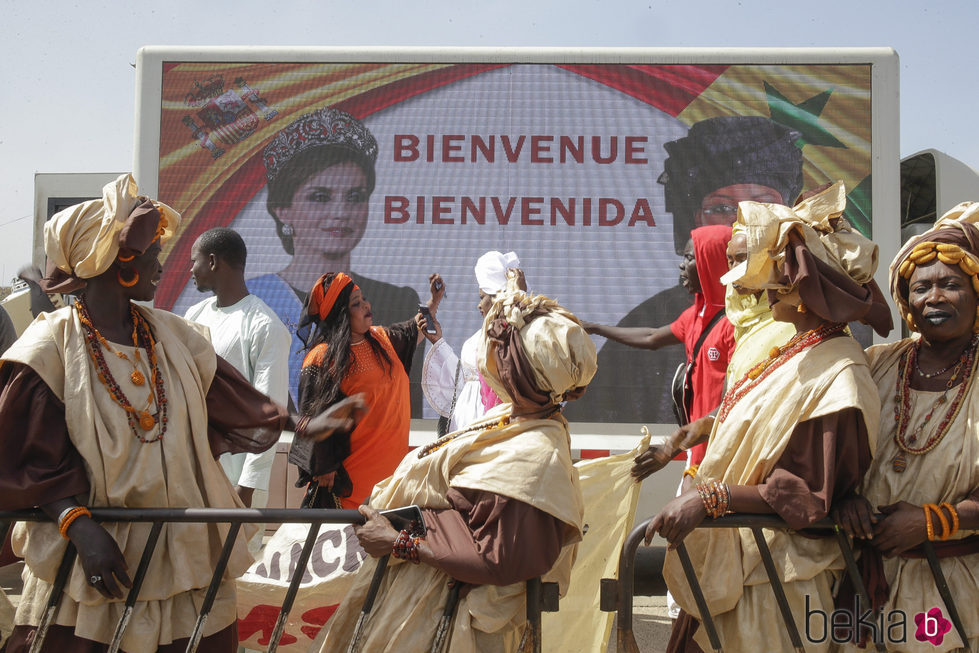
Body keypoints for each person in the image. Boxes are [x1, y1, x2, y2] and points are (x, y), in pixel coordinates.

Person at [0, 174, 364, 652]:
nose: (161, 261)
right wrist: (81, 528)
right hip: (97, 561)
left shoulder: (174, 335)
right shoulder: (50, 347)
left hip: (183, 554)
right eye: (151, 250)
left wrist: (302, 424)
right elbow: (33, 459)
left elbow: (235, 397)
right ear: (117, 260)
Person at [647, 182, 892, 653]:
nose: (745, 278)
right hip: (738, 568)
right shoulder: (794, 350)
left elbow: (805, 493)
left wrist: (711, 499)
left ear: (797, 281)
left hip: (776, 583)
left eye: (760, 267)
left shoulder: (839, 371)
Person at [317, 280, 596, 653]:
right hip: (425, 610)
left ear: (528, 372)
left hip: (455, 627)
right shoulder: (511, 420)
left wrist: (397, 541)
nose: (493, 358)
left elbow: (497, 558)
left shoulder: (537, 453)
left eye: (504, 352)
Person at [570, 115, 803, 423]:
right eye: (721, 208)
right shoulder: (675, 313)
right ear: (696, 220)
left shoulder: (798, 314)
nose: (741, 225)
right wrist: (594, 328)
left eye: (761, 207)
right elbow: (652, 336)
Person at [834, 201, 979, 652]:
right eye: (921, 288)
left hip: (951, 588)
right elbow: (830, 448)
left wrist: (933, 521)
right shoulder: (875, 364)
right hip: (859, 582)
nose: (934, 297)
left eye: (951, 285)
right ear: (905, 301)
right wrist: (844, 498)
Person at [247, 106, 423, 409]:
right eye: (320, 197)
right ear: (282, 209)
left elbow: (407, 408)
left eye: (355, 197)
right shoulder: (254, 299)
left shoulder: (398, 301)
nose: (341, 213)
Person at [289, 271, 443, 510]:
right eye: (356, 303)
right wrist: (324, 466)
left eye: (364, 299)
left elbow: (415, 330)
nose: (366, 305)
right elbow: (311, 418)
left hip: (391, 481)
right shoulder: (321, 357)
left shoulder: (382, 339)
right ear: (341, 313)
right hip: (350, 486)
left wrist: (434, 301)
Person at [583, 224, 735, 466]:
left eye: (689, 258)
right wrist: (595, 328)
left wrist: (668, 449)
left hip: (723, 456)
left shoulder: (735, 324)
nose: (681, 265)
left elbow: (734, 399)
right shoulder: (695, 315)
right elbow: (651, 337)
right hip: (696, 454)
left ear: (711, 261)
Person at [184, 227, 291, 514]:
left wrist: (247, 487)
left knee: (235, 559)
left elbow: (271, 413)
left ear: (213, 262)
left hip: (235, 483)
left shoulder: (264, 326)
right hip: (193, 476)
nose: (190, 269)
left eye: (194, 261)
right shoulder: (194, 316)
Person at [421, 250, 525, 432]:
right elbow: (462, 379)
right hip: (464, 419)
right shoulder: (478, 337)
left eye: (482, 297)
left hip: (494, 419)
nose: (479, 304)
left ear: (497, 300)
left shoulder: (513, 335)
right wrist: (438, 340)